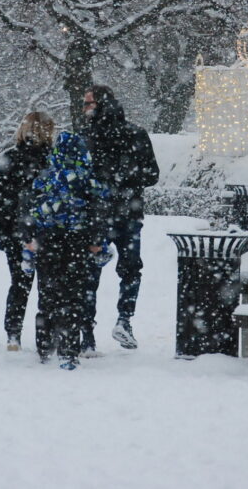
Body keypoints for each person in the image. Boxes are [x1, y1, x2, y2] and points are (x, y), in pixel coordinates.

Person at [21, 132, 110, 370]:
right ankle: (69, 350)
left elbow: (29, 209)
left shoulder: (46, 178)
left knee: (48, 295)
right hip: (77, 242)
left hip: (48, 241)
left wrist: (29, 238)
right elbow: (99, 211)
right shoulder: (86, 178)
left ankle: (45, 344)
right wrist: (97, 239)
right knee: (73, 296)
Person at [81, 84, 159, 352]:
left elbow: (80, 177)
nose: (84, 109)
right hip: (128, 213)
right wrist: (127, 181)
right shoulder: (135, 134)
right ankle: (124, 320)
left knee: (90, 271)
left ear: (100, 105)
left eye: (88, 104)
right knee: (131, 269)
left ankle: (86, 334)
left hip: (96, 216)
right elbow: (152, 174)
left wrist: (103, 184)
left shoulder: (87, 137)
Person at [0, 111, 55, 351]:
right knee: (46, 286)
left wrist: (3, 234)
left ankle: (13, 332)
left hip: (16, 232)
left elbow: (1, 202)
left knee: (19, 283)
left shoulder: (10, 159)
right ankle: (45, 334)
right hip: (47, 231)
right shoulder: (52, 160)